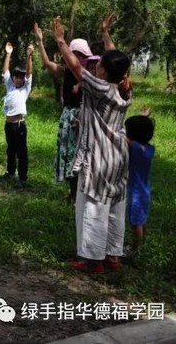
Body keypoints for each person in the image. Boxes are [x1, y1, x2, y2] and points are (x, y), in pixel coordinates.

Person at [52, 15, 132, 274]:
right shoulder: (123, 89)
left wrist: (61, 41)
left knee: (92, 206)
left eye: (99, 65)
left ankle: (92, 260)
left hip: (98, 157)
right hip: (118, 158)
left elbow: (76, 67)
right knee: (115, 206)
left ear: (104, 71)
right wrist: (105, 34)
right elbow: (119, 62)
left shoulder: (101, 88)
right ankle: (112, 255)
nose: (95, 67)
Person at [33, 23, 93, 201]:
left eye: (81, 55)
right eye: (75, 54)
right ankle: (73, 193)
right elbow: (47, 63)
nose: (78, 58)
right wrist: (40, 42)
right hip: (68, 116)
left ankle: (81, 193)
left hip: (84, 118)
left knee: (81, 155)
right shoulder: (65, 71)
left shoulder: (90, 75)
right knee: (69, 154)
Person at [1, 42, 34, 188]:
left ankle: (22, 178)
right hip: (8, 125)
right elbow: (5, 71)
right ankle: (10, 172)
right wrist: (8, 54)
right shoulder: (10, 86)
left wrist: (29, 56)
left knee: (21, 152)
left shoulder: (25, 89)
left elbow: (29, 73)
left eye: (21, 77)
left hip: (19, 126)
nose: (19, 79)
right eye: (16, 77)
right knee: (10, 150)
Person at [125, 108, 155, 260]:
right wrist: (144, 119)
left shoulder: (135, 148)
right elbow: (140, 133)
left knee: (135, 222)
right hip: (145, 190)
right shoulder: (149, 149)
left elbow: (121, 137)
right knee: (142, 219)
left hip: (135, 193)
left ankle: (135, 250)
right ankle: (142, 245)